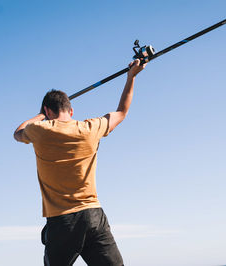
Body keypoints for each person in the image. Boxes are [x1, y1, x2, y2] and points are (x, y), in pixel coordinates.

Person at [13, 59, 146, 266]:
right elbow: (121, 112)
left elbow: (18, 132)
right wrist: (132, 77)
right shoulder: (90, 128)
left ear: (48, 112)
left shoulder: (39, 130)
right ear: (71, 111)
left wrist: (40, 114)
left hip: (61, 222)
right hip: (93, 216)